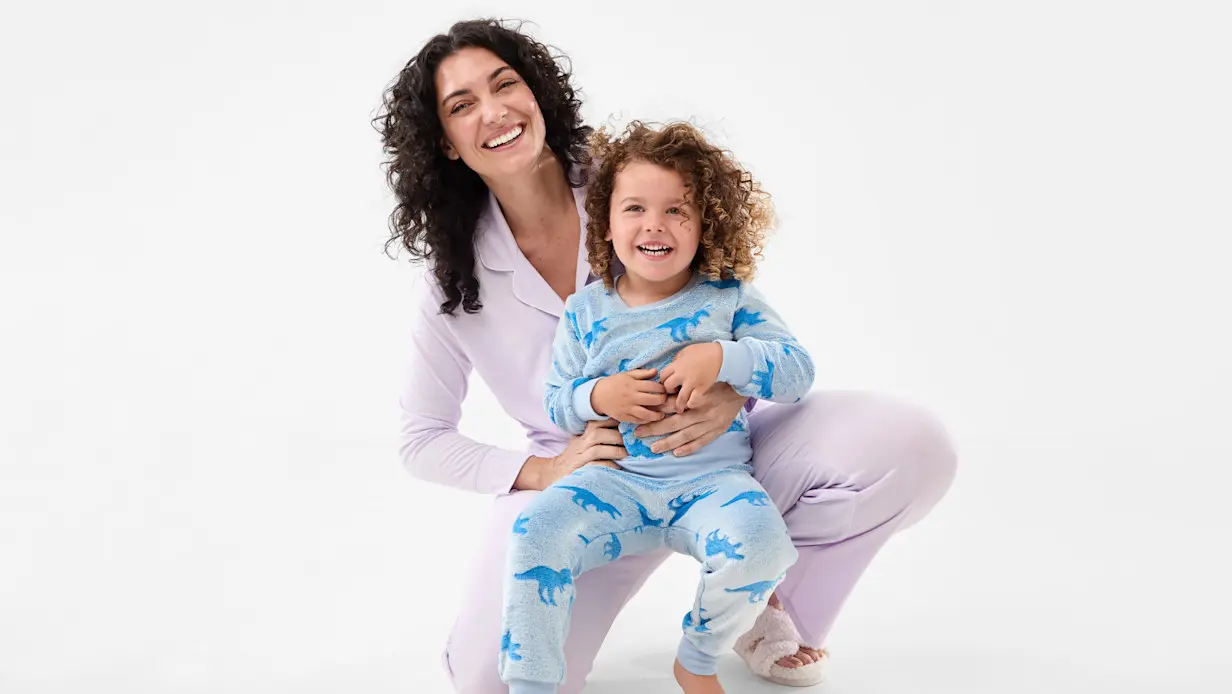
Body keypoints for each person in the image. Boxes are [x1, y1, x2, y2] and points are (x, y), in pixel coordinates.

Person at [377, 18, 958, 693]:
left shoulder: (636, 181)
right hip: (592, 483)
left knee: (911, 446)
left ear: (535, 91)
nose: (494, 111)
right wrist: (542, 469)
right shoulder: (454, 279)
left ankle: (759, 606)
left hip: (721, 460)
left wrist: (730, 386)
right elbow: (421, 439)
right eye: (462, 104)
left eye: (504, 84)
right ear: (444, 143)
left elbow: (731, 305)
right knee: (493, 680)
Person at [500, 121, 810, 694]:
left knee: (765, 549)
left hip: (711, 482)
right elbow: (557, 402)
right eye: (635, 208)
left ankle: (698, 659)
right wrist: (597, 395)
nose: (654, 224)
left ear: (706, 223)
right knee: (534, 531)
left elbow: (797, 372)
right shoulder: (585, 311)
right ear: (607, 222)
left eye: (677, 210)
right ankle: (531, 684)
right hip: (612, 481)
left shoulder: (729, 298)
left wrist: (722, 357)